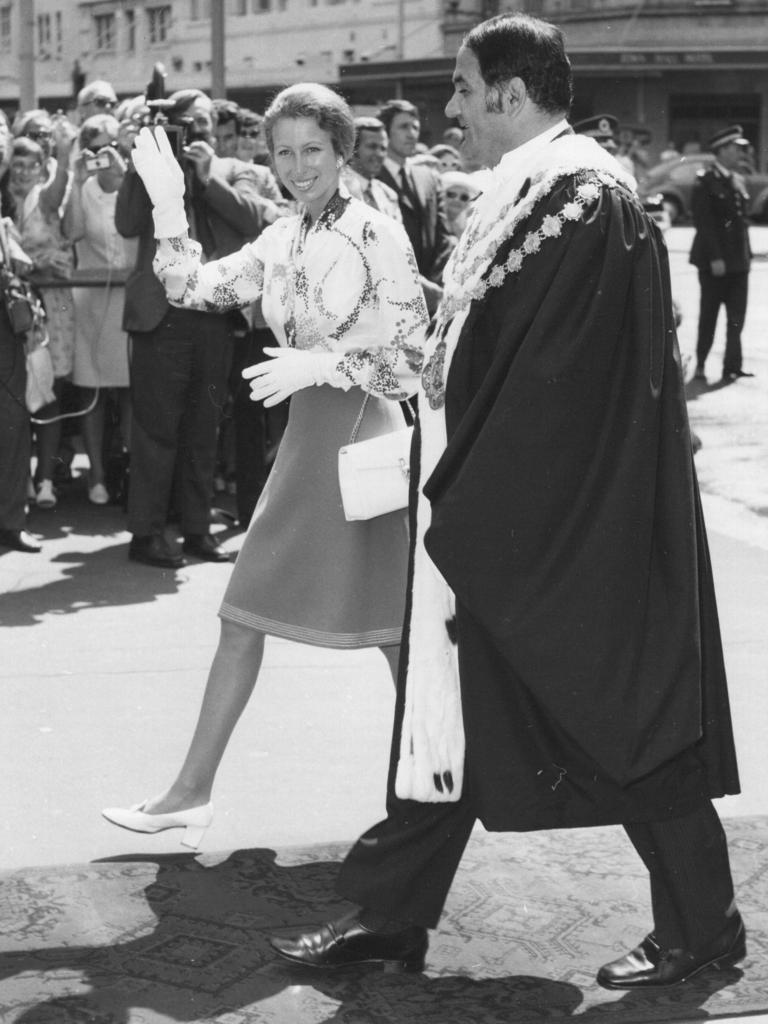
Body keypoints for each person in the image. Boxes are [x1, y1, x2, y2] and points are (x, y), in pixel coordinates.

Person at [271, 13, 744, 992]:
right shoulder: (526, 194)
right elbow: (469, 348)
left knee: (622, 716)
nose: (450, 105)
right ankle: (393, 917)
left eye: (461, 85)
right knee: (450, 712)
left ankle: (706, 925)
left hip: (565, 517)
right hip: (518, 504)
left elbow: (560, 380)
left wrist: (470, 500)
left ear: (510, 95)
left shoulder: (582, 200)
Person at [102, 83, 428, 847]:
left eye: (312, 149)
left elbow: (417, 362)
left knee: (390, 631)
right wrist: (170, 208)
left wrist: (324, 368)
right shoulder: (282, 238)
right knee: (251, 616)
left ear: (343, 151)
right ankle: (192, 790)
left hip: (359, 443)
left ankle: (437, 781)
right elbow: (189, 287)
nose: (297, 166)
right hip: (308, 448)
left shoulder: (378, 233)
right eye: (283, 152)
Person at [116, 88, 283, 568]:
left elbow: (254, 220)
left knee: (204, 430)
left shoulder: (232, 170)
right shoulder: (149, 165)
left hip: (212, 315)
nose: (193, 135)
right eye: (185, 126)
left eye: (203, 127)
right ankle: (145, 533)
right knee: (155, 431)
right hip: (160, 316)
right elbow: (128, 223)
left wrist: (207, 176)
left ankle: (196, 531)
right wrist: (141, 163)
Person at [67, 114, 137, 505]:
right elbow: (74, 233)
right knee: (91, 390)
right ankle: (95, 473)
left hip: (128, 297)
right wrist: (78, 181)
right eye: (93, 148)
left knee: (130, 390)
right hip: (92, 298)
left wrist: (124, 176)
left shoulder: (132, 182)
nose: (102, 156)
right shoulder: (82, 185)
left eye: (109, 146)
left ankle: (126, 469)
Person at [7, 128, 77, 510]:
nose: (21, 172)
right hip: (13, 308)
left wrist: (63, 155)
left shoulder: (42, 199)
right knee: (16, 396)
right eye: (15, 164)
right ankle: (19, 481)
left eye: (29, 164)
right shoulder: (5, 202)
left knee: (47, 393)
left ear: (40, 167)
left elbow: (58, 187)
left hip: (49, 305)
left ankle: (45, 478)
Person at [690, 125, 754, 384]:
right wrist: (716, 257)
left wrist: (747, 256)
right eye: (734, 148)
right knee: (709, 316)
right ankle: (701, 365)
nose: (739, 153)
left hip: (739, 263)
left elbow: (741, 223)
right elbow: (704, 224)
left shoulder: (736, 180)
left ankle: (732, 365)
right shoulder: (705, 180)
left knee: (737, 318)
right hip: (714, 263)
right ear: (721, 150)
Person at [377, 98, 453, 314]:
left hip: (433, 294)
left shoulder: (429, 177)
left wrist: (435, 284)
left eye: (415, 127)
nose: (412, 133)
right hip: (390, 297)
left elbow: (444, 236)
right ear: (385, 132)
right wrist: (416, 285)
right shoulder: (372, 180)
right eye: (403, 127)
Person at [343, 116, 402, 222]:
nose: (379, 154)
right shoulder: (335, 191)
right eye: (372, 146)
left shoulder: (388, 195)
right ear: (352, 149)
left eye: (383, 148)